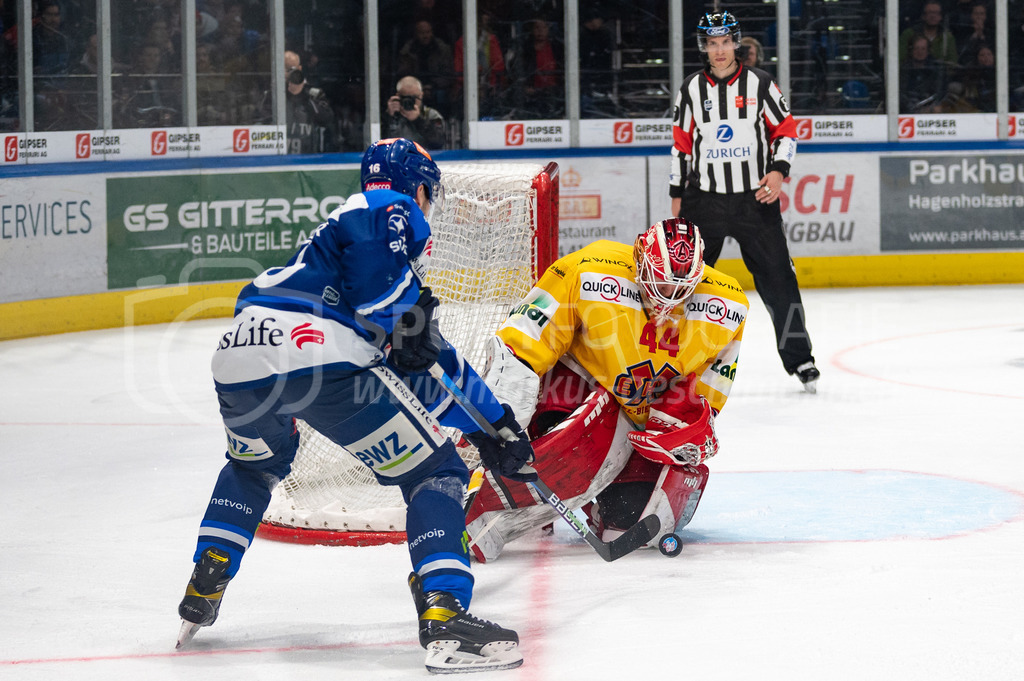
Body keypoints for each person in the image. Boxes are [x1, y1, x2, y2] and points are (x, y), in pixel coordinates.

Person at [176, 138, 535, 674]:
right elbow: (414, 343)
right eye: (427, 195)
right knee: (436, 471)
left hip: (238, 356)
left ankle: (207, 578)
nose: (426, 207)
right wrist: (495, 426)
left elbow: (427, 371)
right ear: (417, 186)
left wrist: (490, 425)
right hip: (313, 352)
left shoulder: (324, 253)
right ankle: (444, 614)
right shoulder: (384, 209)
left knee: (255, 465)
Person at [465, 218, 748, 562]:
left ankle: (594, 494)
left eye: (679, 288)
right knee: (565, 443)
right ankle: (495, 503)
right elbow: (519, 349)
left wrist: (684, 425)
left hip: (641, 420)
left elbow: (705, 390)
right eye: (660, 281)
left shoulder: (728, 306)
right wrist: (501, 427)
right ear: (639, 257)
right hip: (577, 389)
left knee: (630, 524)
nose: (667, 296)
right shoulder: (588, 271)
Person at [669, 11, 819, 392]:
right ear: (704, 47)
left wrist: (779, 171)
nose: (719, 51)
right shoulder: (690, 90)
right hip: (703, 203)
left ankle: (801, 360)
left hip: (756, 201)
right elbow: (681, 147)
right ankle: (674, 365)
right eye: (711, 43)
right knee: (684, 287)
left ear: (736, 43)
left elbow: (786, 133)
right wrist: (676, 197)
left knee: (780, 281)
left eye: (725, 42)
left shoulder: (761, 84)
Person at [281, 50, 340, 153]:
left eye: (291, 69)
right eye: (285, 69)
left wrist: (303, 93)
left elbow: (327, 119)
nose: (289, 73)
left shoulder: (314, 93)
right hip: (279, 157)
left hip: (308, 157)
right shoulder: (272, 95)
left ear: (299, 69)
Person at [384, 75, 446, 150]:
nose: (410, 101)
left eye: (414, 97)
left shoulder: (430, 115)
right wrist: (389, 117)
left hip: (423, 158)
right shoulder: (392, 114)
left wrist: (418, 120)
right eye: (406, 97)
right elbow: (376, 140)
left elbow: (439, 142)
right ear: (398, 96)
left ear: (421, 95)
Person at [899, 0, 958, 67]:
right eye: (929, 12)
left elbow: (953, 64)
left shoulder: (948, 37)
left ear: (941, 17)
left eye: (936, 13)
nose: (933, 16)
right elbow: (900, 60)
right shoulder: (908, 34)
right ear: (923, 16)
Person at [901, 34, 947, 112]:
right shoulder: (903, 70)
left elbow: (941, 93)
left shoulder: (936, 70)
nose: (920, 52)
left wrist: (931, 109)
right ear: (911, 50)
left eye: (923, 49)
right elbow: (901, 95)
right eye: (916, 48)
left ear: (928, 51)